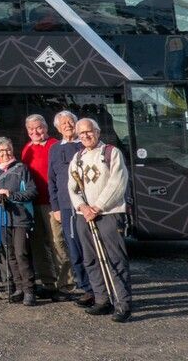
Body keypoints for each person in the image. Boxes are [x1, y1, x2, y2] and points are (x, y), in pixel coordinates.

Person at [69, 118, 132, 322]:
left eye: (89, 131)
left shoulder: (111, 153)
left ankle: (122, 303)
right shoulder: (77, 157)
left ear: (97, 132)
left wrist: (97, 207)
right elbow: (72, 187)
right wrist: (82, 207)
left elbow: (118, 183)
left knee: (115, 258)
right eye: (81, 133)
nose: (85, 136)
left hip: (109, 213)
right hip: (84, 216)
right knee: (91, 259)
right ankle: (102, 299)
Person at [20, 113, 68, 300]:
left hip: (52, 203)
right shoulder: (27, 148)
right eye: (31, 129)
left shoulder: (55, 145)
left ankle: (65, 285)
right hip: (33, 204)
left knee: (58, 243)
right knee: (39, 245)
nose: (35, 132)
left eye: (38, 128)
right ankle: (49, 283)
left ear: (46, 128)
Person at [0, 136, 37, 306]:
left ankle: (30, 290)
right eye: (1, 150)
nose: (5, 153)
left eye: (8, 149)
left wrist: (12, 195)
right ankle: (18, 288)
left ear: (12, 149)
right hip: (0, 218)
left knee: (22, 254)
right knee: (9, 254)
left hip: (20, 218)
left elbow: (32, 191)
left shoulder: (22, 169)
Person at [49, 110, 93, 304]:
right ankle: (86, 288)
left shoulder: (85, 144)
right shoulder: (54, 149)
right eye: (63, 123)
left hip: (86, 205)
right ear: (58, 128)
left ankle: (98, 287)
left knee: (89, 247)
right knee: (74, 249)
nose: (67, 125)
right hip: (66, 206)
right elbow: (51, 180)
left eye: (70, 122)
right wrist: (56, 207)